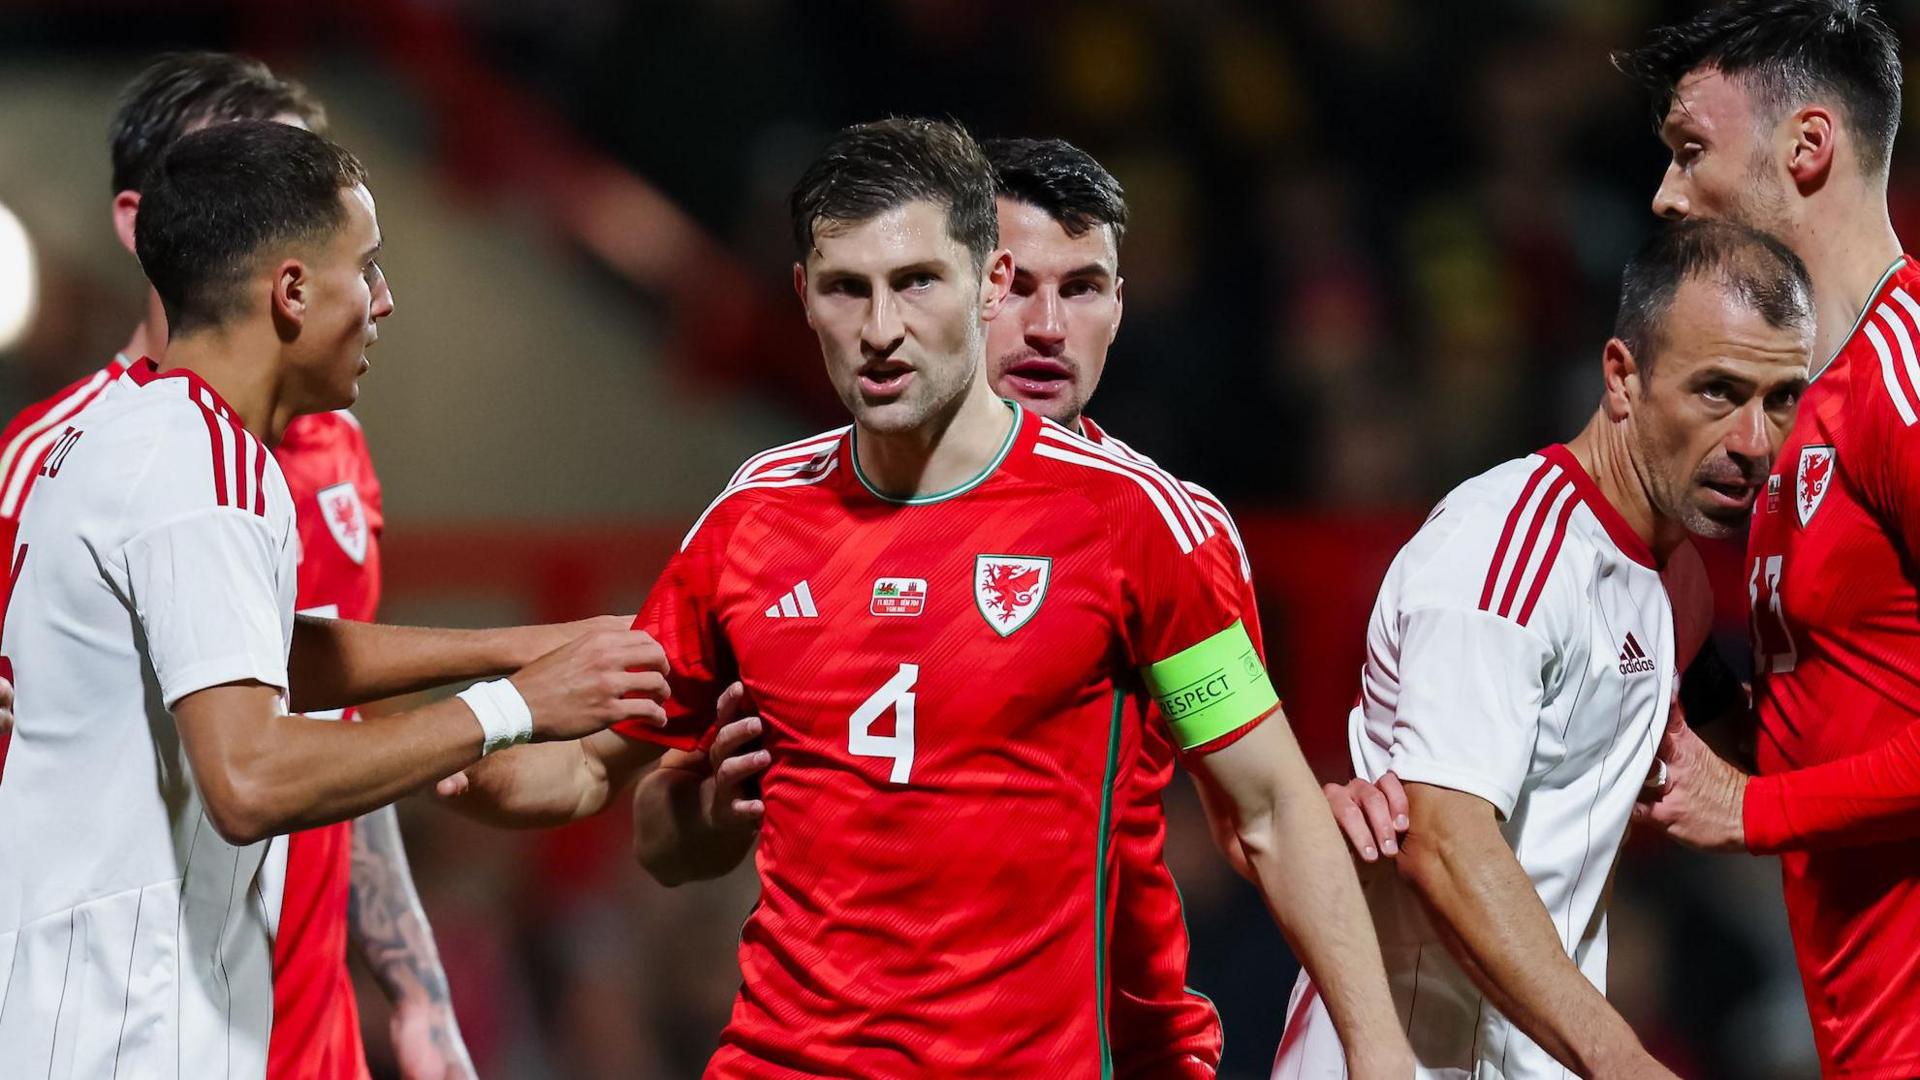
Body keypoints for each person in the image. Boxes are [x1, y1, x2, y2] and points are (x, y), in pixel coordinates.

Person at [439, 116, 1412, 1078]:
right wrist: (420, 746)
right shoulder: (754, 521)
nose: (880, 328)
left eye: (913, 284)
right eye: (846, 290)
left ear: (975, 283)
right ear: (803, 297)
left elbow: (1271, 807)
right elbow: (606, 789)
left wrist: (1379, 1055)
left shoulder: (1136, 524)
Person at [0, 120, 668, 1077]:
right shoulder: (205, 469)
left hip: (79, 1011)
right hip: (122, 1032)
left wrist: (519, 648)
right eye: (370, 268)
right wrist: (515, 708)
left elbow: (260, 654)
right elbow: (249, 781)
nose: (386, 302)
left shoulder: (142, 432)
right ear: (293, 290)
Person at [627, 135, 1248, 1078]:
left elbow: (1260, 818)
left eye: (1081, 289)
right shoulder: (769, 511)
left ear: (1120, 306)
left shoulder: (1169, 529)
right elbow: (649, 818)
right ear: (978, 285)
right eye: (1020, 287)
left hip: (1108, 1052)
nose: (1044, 326)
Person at [0, 52, 469, 1079]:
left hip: (305, 1023)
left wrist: (414, 988)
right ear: (142, 220)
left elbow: (326, 735)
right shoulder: (50, 464)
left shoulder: (330, 452)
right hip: (142, 1028)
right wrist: (513, 706)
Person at [1275, 220, 1813, 1078]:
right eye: (1717, 390)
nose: (1755, 441)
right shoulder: (1505, 553)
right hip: (1407, 1059)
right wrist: (1623, 1062)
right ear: (1622, 378)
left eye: (1780, 397)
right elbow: (1447, 843)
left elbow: (1736, 746)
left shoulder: (1684, 585)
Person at [1615, 1, 1920, 1071]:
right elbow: (1861, 695)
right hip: (1861, 1024)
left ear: (1807, 148)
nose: (1666, 193)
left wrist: (1752, 806)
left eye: (1692, 150)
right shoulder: (1795, 420)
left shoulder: (1905, 376)